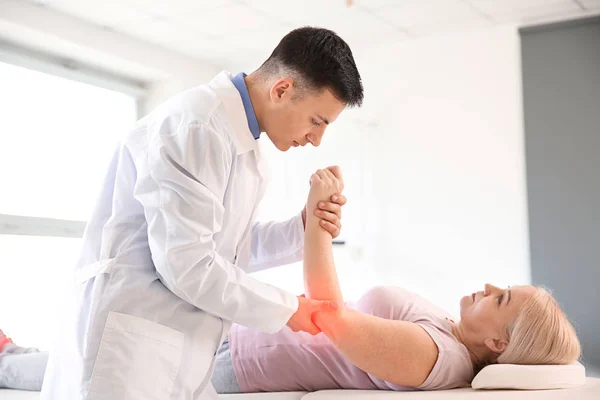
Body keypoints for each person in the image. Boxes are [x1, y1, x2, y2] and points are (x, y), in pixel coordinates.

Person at [2, 169, 582, 394]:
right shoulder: (448, 332)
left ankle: (8, 362)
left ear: (500, 345)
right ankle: (13, 352)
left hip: (237, 362)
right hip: (241, 333)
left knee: (85, 367)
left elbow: (332, 317)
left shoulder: (441, 360)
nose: (487, 285)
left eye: (501, 298)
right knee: (86, 348)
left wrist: (317, 225)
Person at [40, 27, 364, 400]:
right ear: (282, 90)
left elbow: (230, 248)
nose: (316, 139)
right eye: (317, 121)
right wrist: (290, 309)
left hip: (176, 350)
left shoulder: (245, 144)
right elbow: (188, 265)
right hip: (133, 348)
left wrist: (302, 228)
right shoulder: (197, 126)